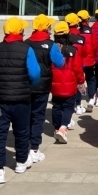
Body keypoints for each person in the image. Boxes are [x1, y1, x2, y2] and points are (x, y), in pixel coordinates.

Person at [0, 17, 41, 185]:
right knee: (22, 131)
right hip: (21, 98)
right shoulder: (26, 49)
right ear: (20, 32)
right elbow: (35, 73)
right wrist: (28, 84)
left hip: (0, 99)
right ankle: (20, 162)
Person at [26, 14, 65, 164]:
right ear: (46, 28)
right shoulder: (50, 44)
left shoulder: (26, 43)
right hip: (42, 86)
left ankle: (25, 144)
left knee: (27, 115)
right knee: (38, 116)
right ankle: (34, 148)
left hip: (27, 85)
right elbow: (60, 63)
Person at [51, 22, 86, 144]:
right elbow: (78, 69)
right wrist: (81, 81)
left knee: (56, 106)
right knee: (68, 107)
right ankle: (63, 127)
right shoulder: (73, 50)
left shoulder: (52, 50)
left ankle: (56, 128)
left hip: (55, 84)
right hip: (70, 85)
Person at [65, 12, 87, 115]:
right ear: (77, 23)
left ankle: (70, 105)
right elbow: (85, 52)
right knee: (78, 83)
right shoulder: (80, 37)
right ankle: (78, 105)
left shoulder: (63, 36)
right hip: (78, 64)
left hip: (66, 65)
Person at [76, 10, 98, 112]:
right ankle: (91, 99)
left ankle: (78, 103)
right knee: (90, 79)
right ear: (87, 19)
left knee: (78, 81)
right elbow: (95, 46)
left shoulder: (76, 31)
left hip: (79, 60)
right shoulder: (91, 31)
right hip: (89, 60)